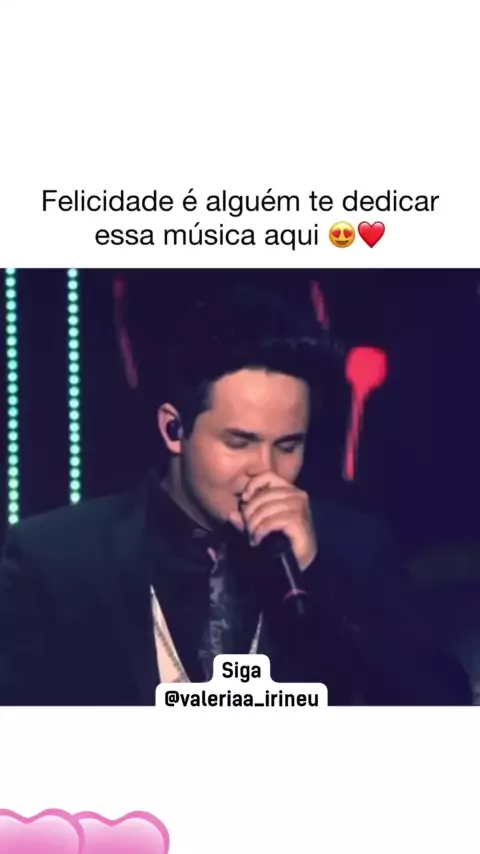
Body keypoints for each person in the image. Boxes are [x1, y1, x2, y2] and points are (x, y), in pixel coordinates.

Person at [0, 283, 472, 705]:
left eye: (288, 445)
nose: (265, 470)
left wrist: (320, 576)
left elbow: (439, 713)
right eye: (239, 442)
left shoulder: (355, 548)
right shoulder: (54, 559)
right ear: (174, 430)